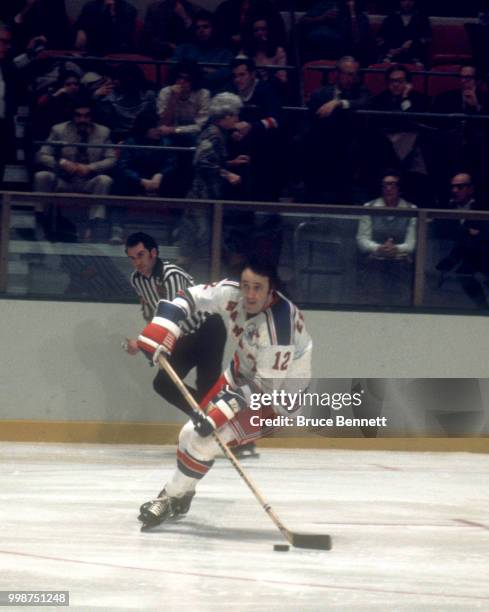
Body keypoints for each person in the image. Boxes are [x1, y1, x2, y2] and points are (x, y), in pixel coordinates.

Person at [136, 257, 312, 527]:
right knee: (188, 435)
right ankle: (183, 493)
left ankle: (169, 497)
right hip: (240, 375)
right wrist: (166, 324)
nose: (249, 294)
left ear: (271, 290)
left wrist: (222, 412)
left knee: (203, 442)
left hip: (277, 399)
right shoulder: (232, 293)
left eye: (258, 288)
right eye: (246, 286)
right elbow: (189, 296)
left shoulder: (279, 331)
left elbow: (265, 389)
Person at [123, 232, 228, 417]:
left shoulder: (171, 275)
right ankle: (209, 418)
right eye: (132, 258)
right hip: (182, 337)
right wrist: (146, 340)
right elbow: (152, 313)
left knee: (206, 387)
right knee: (163, 384)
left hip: (207, 331)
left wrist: (142, 344)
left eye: (140, 255)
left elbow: (174, 315)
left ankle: (214, 421)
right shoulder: (137, 280)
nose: (137, 262)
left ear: (153, 253)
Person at [177, 91, 249, 265]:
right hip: (200, 198)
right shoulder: (213, 133)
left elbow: (213, 160)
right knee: (202, 244)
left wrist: (231, 163)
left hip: (209, 197)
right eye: (234, 115)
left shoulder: (218, 133)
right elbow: (201, 161)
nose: (237, 119)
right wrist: (228, 173)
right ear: (225, 116)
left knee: (206, 242)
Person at [33, 97, 116, 242]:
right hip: (65, 180)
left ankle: (94, 225)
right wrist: (62, 162)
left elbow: (112, 159)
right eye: (78, 115)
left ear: (92, 116)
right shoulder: (58, 130)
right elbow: (42, 155)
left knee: (105, 180)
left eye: (86, 116)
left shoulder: (103, 132)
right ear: (72, 116)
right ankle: (41, 219)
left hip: (88, 181)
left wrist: (91, 167)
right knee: (42, 176)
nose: (82, 119)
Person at [304, 55, 370, 202]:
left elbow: (363, 103)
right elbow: (310, 122)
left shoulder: (360, 92)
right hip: (322, 143)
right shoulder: (320, 93)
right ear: (337, 74)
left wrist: (338, 103)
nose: (352, 78)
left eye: (355, 74)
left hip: (347, 143)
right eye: (348, 74)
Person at [356, 169, 417, 304]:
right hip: (374, 260)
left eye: (392, 185)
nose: (388, 188)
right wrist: (379, 248)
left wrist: (396, 249)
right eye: (384, 185)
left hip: (400, 261)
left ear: (400, 188)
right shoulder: (369, 207)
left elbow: (411, 243)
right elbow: (362, 239)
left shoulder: (411, 209)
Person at [435, 172, 489, 309]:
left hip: (484, 254)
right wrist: (468, 232)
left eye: (460, 187)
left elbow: (485, 233)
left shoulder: (483, 206)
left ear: (470, 189)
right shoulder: (447, 207)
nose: (455, 191)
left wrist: (470, 233)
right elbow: (442, 231)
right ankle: (482, 308)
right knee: (462, 274)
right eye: (453, 187)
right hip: (458, 256)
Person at [172, 11, 234, 95]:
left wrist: (194, 70)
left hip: (214, 94)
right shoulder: (183, 48)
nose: (201, 30)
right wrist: (208, 70)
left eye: (205, 27)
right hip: (185, 93)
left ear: (214, 28)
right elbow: (174, 68)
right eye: (197, 28)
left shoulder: (225, 52)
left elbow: (225, 74)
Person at [376, 0, 431, 65]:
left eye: (410, 0)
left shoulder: (422, 18)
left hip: (415, 55)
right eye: (404, 0)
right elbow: (379, 38)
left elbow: (427, 38)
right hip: (392, 55)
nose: (407, 3)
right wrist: (389, 49)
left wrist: (413, 43)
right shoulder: (391, 18)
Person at [73, 0, 138, 56]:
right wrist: (80, 30)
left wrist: (112, 15)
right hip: (92, 50)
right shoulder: (90, 6)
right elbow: (80, 24)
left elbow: (123, 37)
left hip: (117, 52)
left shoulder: (128, 10)